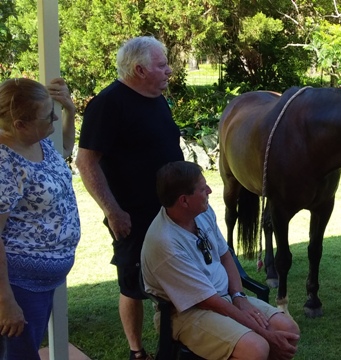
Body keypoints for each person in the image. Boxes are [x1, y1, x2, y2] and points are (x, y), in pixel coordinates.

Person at [75, 36, 184, 360]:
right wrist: (113, 211)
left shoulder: (156, 98)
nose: (169, 70)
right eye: (162, 65)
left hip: (171, 212)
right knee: (132, 285)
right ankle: (137, 351)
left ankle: (179, 340)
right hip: (132, 216)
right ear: (139, 69)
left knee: (176, 277)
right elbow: (86, 161)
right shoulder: (108, 104)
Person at [141, 161, 300, 360]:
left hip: (224, 298)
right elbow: (210, 302)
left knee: (288, 330)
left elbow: (225, 255)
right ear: (184, 201)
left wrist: (239, 297)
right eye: (202, 188)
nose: (210, 190)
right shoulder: (165, 243)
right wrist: (265, 334)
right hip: (187, 313)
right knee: (257, 348)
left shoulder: (202, 212)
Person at [0, 77, 79, 359]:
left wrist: (70, 110)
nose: (54, 118)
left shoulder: (39, 140)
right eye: (48, 116)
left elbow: (65, 151)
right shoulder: (4, 162)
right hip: (21, 284)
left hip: (43, 281)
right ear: (20, 124)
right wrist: (6, 301)